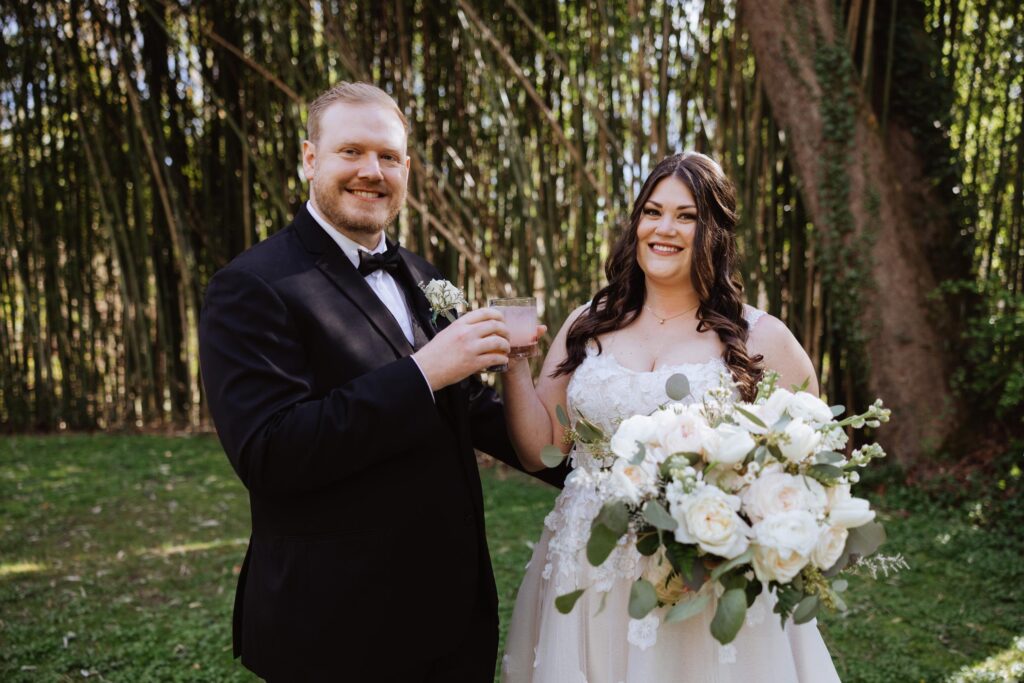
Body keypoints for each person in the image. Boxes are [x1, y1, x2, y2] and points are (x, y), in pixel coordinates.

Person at [198, 81, 566, 682]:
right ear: (310, 158)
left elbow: (470, 411)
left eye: (389, 157)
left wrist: (607, 476)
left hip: (449, 620)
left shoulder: (421, 274)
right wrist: (425, 370)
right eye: (352, 152)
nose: (372, 171)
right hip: (336, 631)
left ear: (407, 169)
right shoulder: (253, 286)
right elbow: (272, 452)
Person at [498, 152, 841, 682]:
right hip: (590, 557)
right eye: (653, 211)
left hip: (699, 567)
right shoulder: (588, 322)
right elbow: (541, 444)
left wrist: (749, 516)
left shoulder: (758, 336)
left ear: (716, 231)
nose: (665, 229)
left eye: (687, 216)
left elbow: (811, 450)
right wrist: (514, 366)